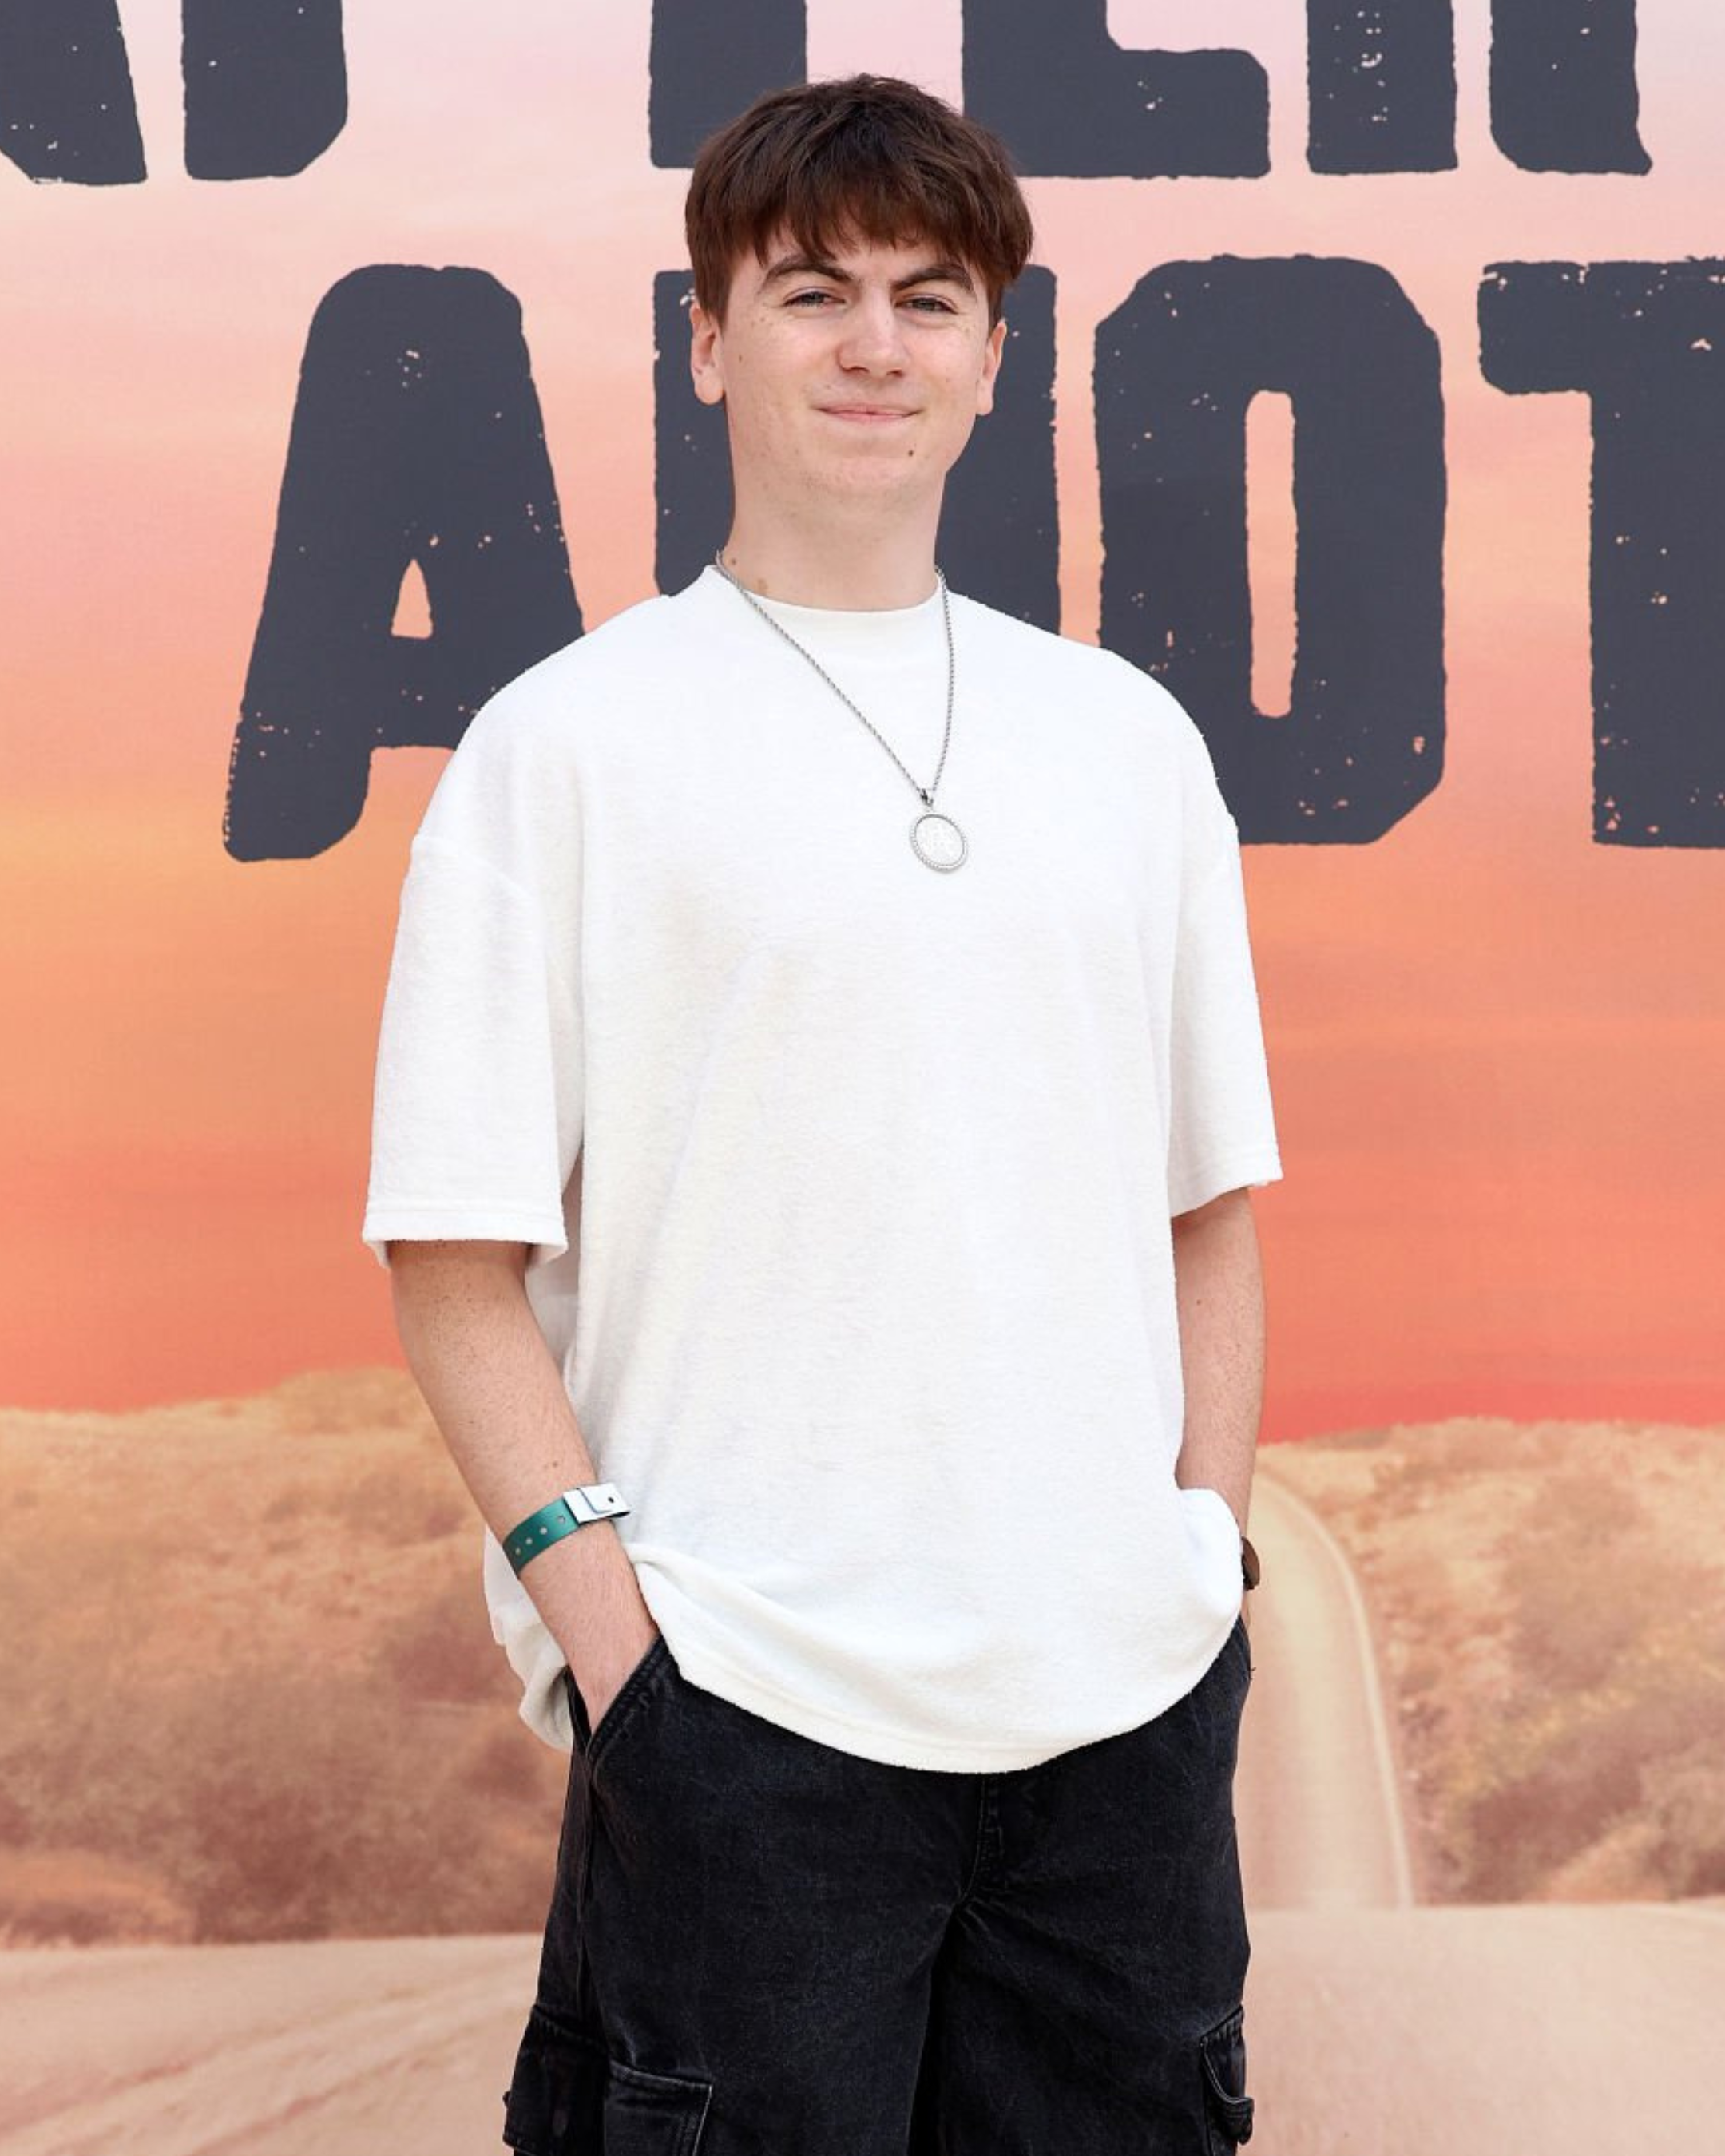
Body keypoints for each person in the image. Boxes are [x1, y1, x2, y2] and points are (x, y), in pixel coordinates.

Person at [363, 73, 1279, 2156]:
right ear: (706, 339)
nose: (877, 342)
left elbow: (1209, 1207)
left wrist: (1206, 1573)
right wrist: (628, 1659)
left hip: (1120, 1736)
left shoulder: (1125, 746)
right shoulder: (563, 748)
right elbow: (449, 1254)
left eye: (931, 297)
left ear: (992, 356)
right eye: (812, 291)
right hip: (743, 1718)